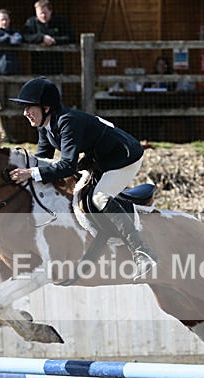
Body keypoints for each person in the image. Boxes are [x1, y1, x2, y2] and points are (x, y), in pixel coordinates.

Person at [8, 77, 157, 280]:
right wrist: (19, 168)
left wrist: (31, 173)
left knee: (100, 198)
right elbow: (43, 160)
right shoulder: (45, 125)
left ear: (46, 107)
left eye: (29, 108)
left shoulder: (67, 121)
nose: (25, 113)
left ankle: (143, 252)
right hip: (99, 158)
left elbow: (67, 165)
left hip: (124, 157)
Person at [0, 9, 23, 142]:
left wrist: (6, 39)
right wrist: (7, 38)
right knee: (0, 105)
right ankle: (3, 135)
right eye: (2, 19)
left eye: (7, 19)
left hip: (13, 72)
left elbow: (18, 40)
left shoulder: (14, 31)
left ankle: (11, 135)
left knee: (13, 104)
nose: (5, 22)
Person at [22, 0, 74, 75]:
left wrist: (54, 40)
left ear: (50, 11)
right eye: (40, 13)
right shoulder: (31, 22)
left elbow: (71, 37)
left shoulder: (59, 21)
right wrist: (41, 38)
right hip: (38, 65)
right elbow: (25, 36)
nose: (43, 16)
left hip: (56, 65)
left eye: (45, 13)